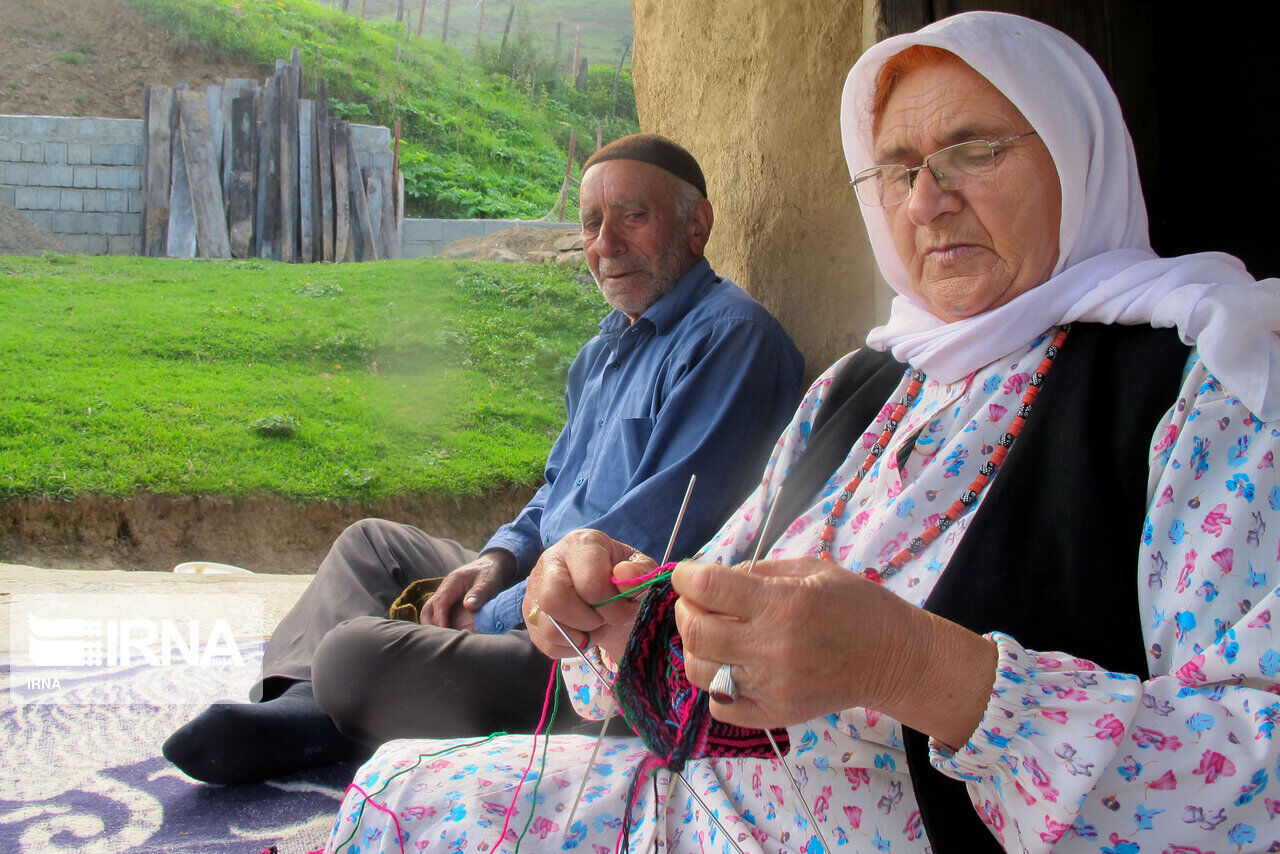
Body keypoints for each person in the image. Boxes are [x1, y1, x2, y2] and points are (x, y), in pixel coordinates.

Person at [318, 12, 1280, 853]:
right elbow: (709, 603)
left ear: (1080, 153)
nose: (926, 200)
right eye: (899, 170)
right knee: (397, 793)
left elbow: (1258, 780)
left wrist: (917, 667)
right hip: (706, 804)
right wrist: (620, 607)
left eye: (976, 150)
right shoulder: (864, 386)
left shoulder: (1201, 387)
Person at [162, 133, 804, 786]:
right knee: (371, 547)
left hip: (592, 653)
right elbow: (555, 495)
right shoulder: (602, 355)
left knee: (355, 657)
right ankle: (304, 714)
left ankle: (334, 709)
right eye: (590, 224)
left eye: (632, 217)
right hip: (529, 598)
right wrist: (495, 561)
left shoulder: (732, 340)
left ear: (697, 226)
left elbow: (640, 554)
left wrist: (490, 612)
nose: (604, 245)